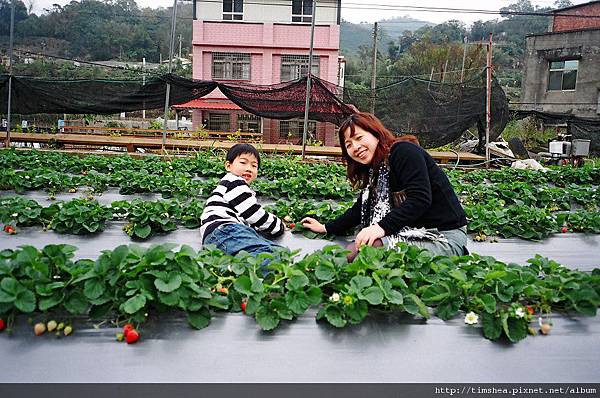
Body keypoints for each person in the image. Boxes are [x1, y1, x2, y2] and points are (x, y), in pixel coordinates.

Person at [301, 112, 468, 261]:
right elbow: (359, 210)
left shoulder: (404, 151)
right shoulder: (376, 170)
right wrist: (325, 227)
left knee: (370, 251)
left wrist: (380, 227)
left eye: (359, 138)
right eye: (348, 144)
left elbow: (420, 199)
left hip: (443, 237)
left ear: (376, 134)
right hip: (412, 231)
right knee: (352, 251)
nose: (355, 147)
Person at [200, 144, 285, 260]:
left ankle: (233, 270)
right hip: (225, 231)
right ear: (228, 166)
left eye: (254, 165)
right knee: (268, 256)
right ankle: (247, 274)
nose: (249, 168)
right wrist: (278, 225)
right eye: (243, 163)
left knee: (278, 252)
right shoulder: (234, 182)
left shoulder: (234, 185)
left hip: (226, 234)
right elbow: (254, 214)